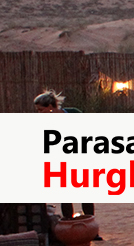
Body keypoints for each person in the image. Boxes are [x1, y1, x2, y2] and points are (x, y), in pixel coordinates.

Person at [36, 90, 98, 235]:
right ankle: (70, 229)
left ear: (50, 107)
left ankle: (92, 230)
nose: (39, 113)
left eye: (41, 110)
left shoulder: (73, 113)